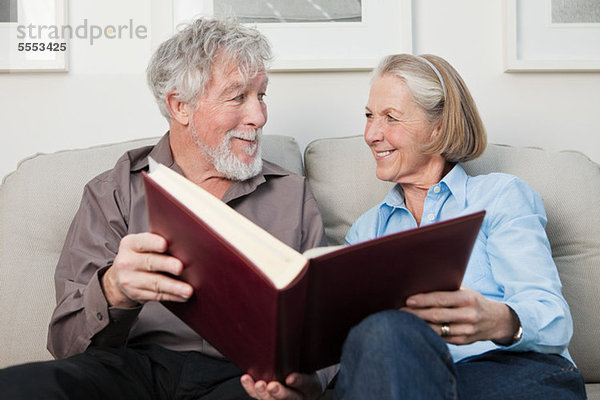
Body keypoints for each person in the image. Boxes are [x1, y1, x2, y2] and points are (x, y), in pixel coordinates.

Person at [0, 18, 332, 400]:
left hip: (242, 381)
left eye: (262, 96)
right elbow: (66, 345)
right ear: (180, 106)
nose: (258, 116)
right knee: (20, 387)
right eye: (238, 97)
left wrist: (302, 385)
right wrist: (114, 289)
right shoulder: (115, 191)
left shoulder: (292, 196)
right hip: (135, 370)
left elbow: (321, 335)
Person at [332, 54, 586, 399]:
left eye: (390, 118)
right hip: (408, 381)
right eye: (369, 116)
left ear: (438, 126)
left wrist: (498, 319)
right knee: (385, 330)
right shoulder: (366, 232)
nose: (371, 134)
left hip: (511, 374)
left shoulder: (499, 197)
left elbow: (553, 319)